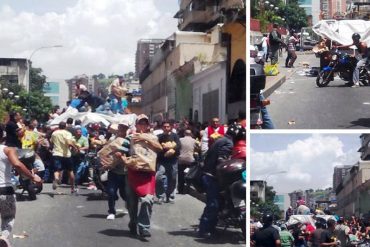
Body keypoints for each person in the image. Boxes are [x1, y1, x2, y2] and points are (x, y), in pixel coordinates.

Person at [116, 114, 162, 238]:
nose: (142, 125)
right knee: (132, 203)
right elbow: (121, 151)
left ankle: (144, 227)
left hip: (148, 174)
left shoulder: (153, 138)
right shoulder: (130, 138)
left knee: (148, 200)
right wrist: (121, 157)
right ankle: (133, 222)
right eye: (140, 123)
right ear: (136, 125)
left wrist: (146, 139)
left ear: (148, 126)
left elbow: (159, 149)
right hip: (132, 173)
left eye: (145, 123)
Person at [0, 125, 42, 246]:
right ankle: (3, 237)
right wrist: (33, 177)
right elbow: (17, 164)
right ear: (3, 136)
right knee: (8, 217)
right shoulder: (7, 150)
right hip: (4, 190)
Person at [198, 126, 237, 238]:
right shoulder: (228, 143)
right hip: (212, 177)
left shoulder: (220, 139)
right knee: (213, 204)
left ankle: (210, 228)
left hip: (208, 175)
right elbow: (221, 160)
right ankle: (204, 230)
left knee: (216, 203)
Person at [99, 123, 129, 220]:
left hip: (125, 172)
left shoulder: (129, 140)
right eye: (120, 128)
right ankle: (111, 211)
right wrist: (105, 163)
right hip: (113, 171)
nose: (121, 130)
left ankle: (129, 204)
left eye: (124, 128)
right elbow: (105, 152)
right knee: (111, 192)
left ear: (126, 130)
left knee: (124, 194)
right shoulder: (113, 140)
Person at [50, 121, 79, 194]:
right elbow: (69, 143)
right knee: (70, 171)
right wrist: (74, 147)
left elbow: (51, 142)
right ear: (65, 127)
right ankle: (72, 188)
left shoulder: (54, 133)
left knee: (57, 170)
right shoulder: (67, 133)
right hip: (66, 154)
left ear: (59, 126)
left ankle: (56, 178)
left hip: (56, 153)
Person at [156, 120, 181, 203]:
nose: (166, 128)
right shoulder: (159, 137)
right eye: (164, 127)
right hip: (162, 160)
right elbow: (156, 147)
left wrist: (172, 149)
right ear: (162, 128)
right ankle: (160, 195)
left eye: (168, 127)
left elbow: (179, 146)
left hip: (173, 160)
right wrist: (163, 149)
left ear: (171, 127)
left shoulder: (175, 136)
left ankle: (169, 195)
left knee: (173, 178)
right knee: (159, 176)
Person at [177, 129, 197, 194]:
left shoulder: (180, 140)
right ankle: (188, 188)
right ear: (191, 134)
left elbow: (178, 148)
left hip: (181, 159)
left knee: (180, 175)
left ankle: (180, 189)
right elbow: (197, 149)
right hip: (190, 160)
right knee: (189, 174)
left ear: (184, 134)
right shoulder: (194, 141)